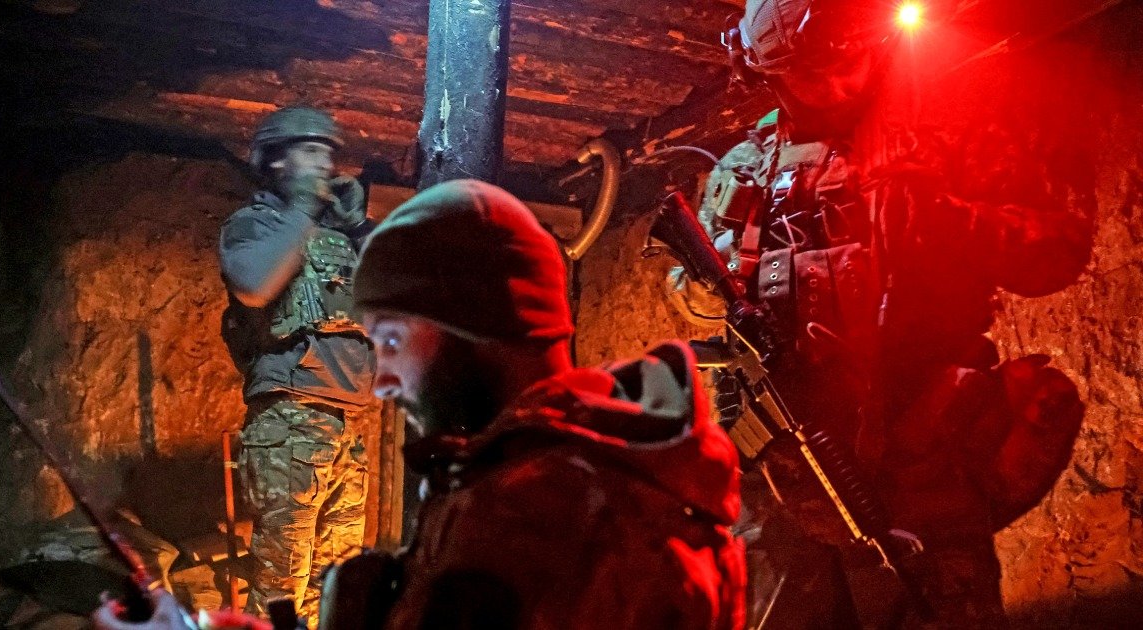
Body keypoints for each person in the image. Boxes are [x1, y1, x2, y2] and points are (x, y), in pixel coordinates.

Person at [667, 2, 1093, 627]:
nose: (838, 84)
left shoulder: (947, 131)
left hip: (921, 459)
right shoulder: (748, 164)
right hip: (780, 466)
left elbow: (1057, 251)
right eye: (810, 73)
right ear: (767, 73)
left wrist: (946, 219)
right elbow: (692, 293)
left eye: (851, 60)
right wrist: (717, 287)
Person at [344, 179, 747, 629]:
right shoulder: (532, 480)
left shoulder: (549, 515)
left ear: (474, 326)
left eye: (392, 341)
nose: (382, 382)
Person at [219, 105, 377, 618]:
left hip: (347, 422)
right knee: (282, 588)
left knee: (336, 585)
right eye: (310, 151)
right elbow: (254, 284)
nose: (324, 164)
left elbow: (399, 289)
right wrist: (305, 210)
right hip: (289, 421)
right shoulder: (255, 226)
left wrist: (359, 227)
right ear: (276, 162)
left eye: (328, 153)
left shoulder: (337, 236)